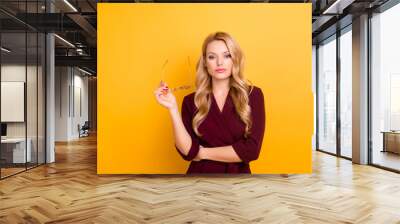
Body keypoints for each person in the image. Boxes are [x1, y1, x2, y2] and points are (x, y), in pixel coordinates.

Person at [154, 31, 265, 174]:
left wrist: (203, 153)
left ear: (235, 59)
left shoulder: (253, 95)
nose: (220, 62)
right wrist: (172, 108)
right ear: (205, 62)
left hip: (237, 183)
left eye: (227, 55)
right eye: (212, 57)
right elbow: (188, 152)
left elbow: (251, 150)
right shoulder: (190, 101)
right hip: (198, 182)